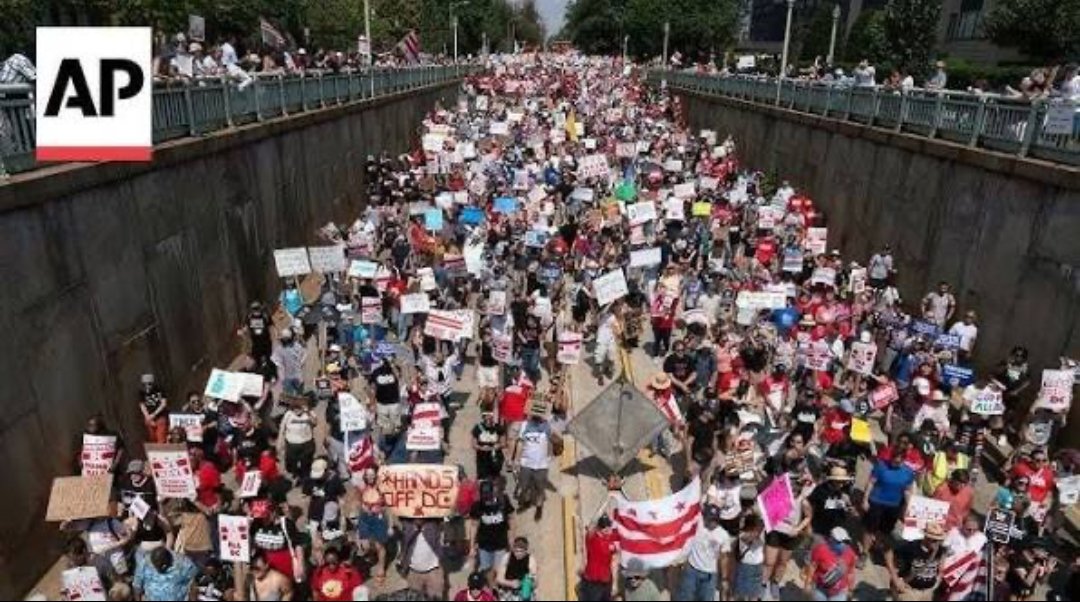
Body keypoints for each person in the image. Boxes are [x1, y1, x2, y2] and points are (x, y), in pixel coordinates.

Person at [861, 447, 917, 562]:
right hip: (876, 502)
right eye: (894, 460)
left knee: (885, 531)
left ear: (903, 460)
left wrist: (908, 507)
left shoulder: (908, 473)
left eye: (898, 461)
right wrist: (865, 499)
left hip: (894, 506)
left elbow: (907, 491)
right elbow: (871, 483)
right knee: (869, 528)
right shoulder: (880, 466)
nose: (895, 463)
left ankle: (876, 546)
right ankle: (864, 553)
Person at [675, 505, 732, 601]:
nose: (712, 522)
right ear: (704, 517)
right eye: (709, 519)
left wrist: (724, 578)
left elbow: (724, 558)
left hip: (709, 575)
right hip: (691, 570)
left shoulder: (723, 535)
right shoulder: (698, 524)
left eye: (715, 520)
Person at [885, 522, 948, 601]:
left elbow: (941, 567)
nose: (937, 543)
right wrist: (895, 578)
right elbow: (888, 552)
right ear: (927, 538)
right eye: (934, 540)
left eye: (939, 540)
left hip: (928, 591)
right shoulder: (912, 547)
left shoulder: (941, 550)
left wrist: (938, 579)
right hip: (910, 590)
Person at [511, 406, 552, 521]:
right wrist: (517, 460)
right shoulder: (525, 425)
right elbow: (520, 443)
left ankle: (539, 507)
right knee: (524, 486)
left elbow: (549, 442)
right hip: (526, 463)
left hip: (541, 465)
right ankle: (527, 503)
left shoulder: (546, 426)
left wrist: (549, 457)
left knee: (540, 488)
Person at [468, 480, 514, 578]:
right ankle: (491, 586)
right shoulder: (477, 506)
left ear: (493, 492)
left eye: (488, 496)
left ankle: (497, 584)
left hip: (501, 542)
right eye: (484, 497)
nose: (487, 500)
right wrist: (471, 546)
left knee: (499, 569)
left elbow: (511, 520)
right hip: (484, 544)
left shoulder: (503, 501)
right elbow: (474, 526)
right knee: (486, 569)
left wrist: (511, 539)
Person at [804, 527, 857, 602]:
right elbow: (812, 567)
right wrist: (807, 585)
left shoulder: (850, 554)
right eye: (839, 542)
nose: (842, 544)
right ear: (831, 539)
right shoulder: (820, 550)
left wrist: (851, 590)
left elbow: (850, 573)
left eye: (845, 541)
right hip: (820, 588)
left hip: (839, 592)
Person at [401, 518, 446, 599]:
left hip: (434, 570)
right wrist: (415, 527)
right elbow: (406, 539)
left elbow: (434, 535)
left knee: (436, 597)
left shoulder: (433, 524)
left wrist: (424, 525)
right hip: (413, 571)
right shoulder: (407, 524)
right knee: (414, 598)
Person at [132, 547, 198, 601]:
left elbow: (192, 586)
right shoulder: (144, 563)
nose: (157, 569)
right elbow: (137, 586)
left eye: (159, 566)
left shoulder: (184, 564)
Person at [579, 516, 619, 601]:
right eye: (603, 526)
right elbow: (591, 527)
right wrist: (599, 512)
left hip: (606, 581)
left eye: (608, 526)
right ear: (599, 528)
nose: (606, 529)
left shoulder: (610, 541)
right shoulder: (592, 538)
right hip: (593, 582)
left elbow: (614, 562)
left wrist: (614, 583)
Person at [279, 396, 318, 479]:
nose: (297, 410)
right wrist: (280, 442)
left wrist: (308, 412)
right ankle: (295, 475)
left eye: (299, 408)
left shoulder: (309, 413)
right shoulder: (288, 414)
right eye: (295, 408)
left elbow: (315, 423)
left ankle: (304, 478)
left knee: (306, 464)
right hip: (292, 444)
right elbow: (282, 428)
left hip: (306, 443)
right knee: (291, 464)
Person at [732, 514, 766, 601]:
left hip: (758, 567)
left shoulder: (761, 535)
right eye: (757, 527)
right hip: (745, 567)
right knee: (740, 592)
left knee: (754, 593)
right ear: (750, 527)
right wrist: (755, 534)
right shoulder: (743, 535)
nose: (760, 529)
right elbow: (746, 539)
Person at [139, 374, 169, 444]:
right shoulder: (142, 392)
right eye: (145, 384)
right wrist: (147, 416)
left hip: (160, 416)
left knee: (161, 437)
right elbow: (142, 405)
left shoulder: (160, 390)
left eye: (149, 384)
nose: (147, 386)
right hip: (148, 417)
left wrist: (154, 414)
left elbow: (163, 404)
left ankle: (160, 449)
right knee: (151, 437)